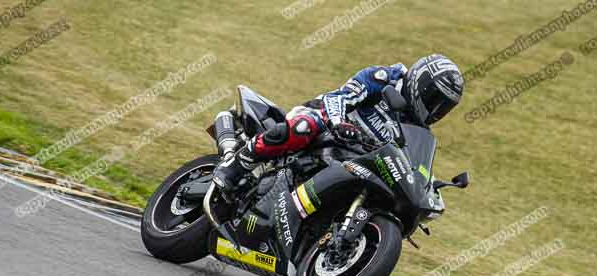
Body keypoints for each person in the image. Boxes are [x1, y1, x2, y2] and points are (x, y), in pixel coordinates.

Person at [194, 54, 464, 200]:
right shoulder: (385, 79)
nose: (436, 110)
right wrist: (339, 122)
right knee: (305, 126)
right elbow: (340, 97)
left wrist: (426, 185)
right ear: (420, 83)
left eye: (444, 107)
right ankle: (237, 164)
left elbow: (410, 162)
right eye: (434, 100)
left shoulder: (417, 130)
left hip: (354, 161)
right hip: (324, 127)